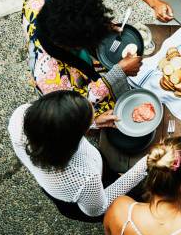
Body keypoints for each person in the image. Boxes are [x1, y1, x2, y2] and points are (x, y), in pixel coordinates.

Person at [8, 91, 147, 222]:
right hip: (83, 199)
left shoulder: (21, 116)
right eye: (88, 120)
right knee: (131, 201)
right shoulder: (84, 178)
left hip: (67, 183)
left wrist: (94, 123)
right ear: (71, 141)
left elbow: (56, 129)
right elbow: (99, 208)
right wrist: (145, 163)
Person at [22, 0, 142, 127]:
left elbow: (77, 15)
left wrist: (100, 25)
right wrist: (94, 122)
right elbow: (70, 110)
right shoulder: (50, 81)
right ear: (73, 46)